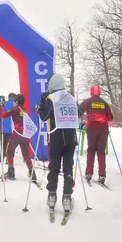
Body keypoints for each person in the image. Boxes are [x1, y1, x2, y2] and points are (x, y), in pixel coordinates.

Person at [37, 73, 78, 211]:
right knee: (68, 168)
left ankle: (52, 196)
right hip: (71, 137)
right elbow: (79, 112)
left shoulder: (51, 98)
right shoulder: (71, 97)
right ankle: (67, 197)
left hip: (56, 137)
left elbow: (44, 116)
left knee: (54, 167)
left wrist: (41, 104)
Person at [80, 85, 113, 183]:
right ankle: (102, 174)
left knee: (91, 149)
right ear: (99, 92)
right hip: (103, 128)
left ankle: (89, 173)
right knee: (101, 151)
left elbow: (78, 112)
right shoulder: (104, 102)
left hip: (92, 127)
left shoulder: (87, 101)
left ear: (91, 92)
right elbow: (110, 117)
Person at [0, 94, 35, 181]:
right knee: (26, 155)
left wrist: (1, 107)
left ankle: (11, 173)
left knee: (9, 152)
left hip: (17, 134)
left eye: (14, 102)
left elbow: (4, 115)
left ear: (16, 102)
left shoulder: (15, 109)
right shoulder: (24, 110)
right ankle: (32, 173)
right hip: (25, 135)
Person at [1, 93, 16, 159]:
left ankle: (2, 155)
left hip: (3, 127)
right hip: (12, 128)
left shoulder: (3, 104)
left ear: (8, 97)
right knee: (10, 143)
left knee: (3, 143)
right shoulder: (15, 105)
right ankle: (9, 157)